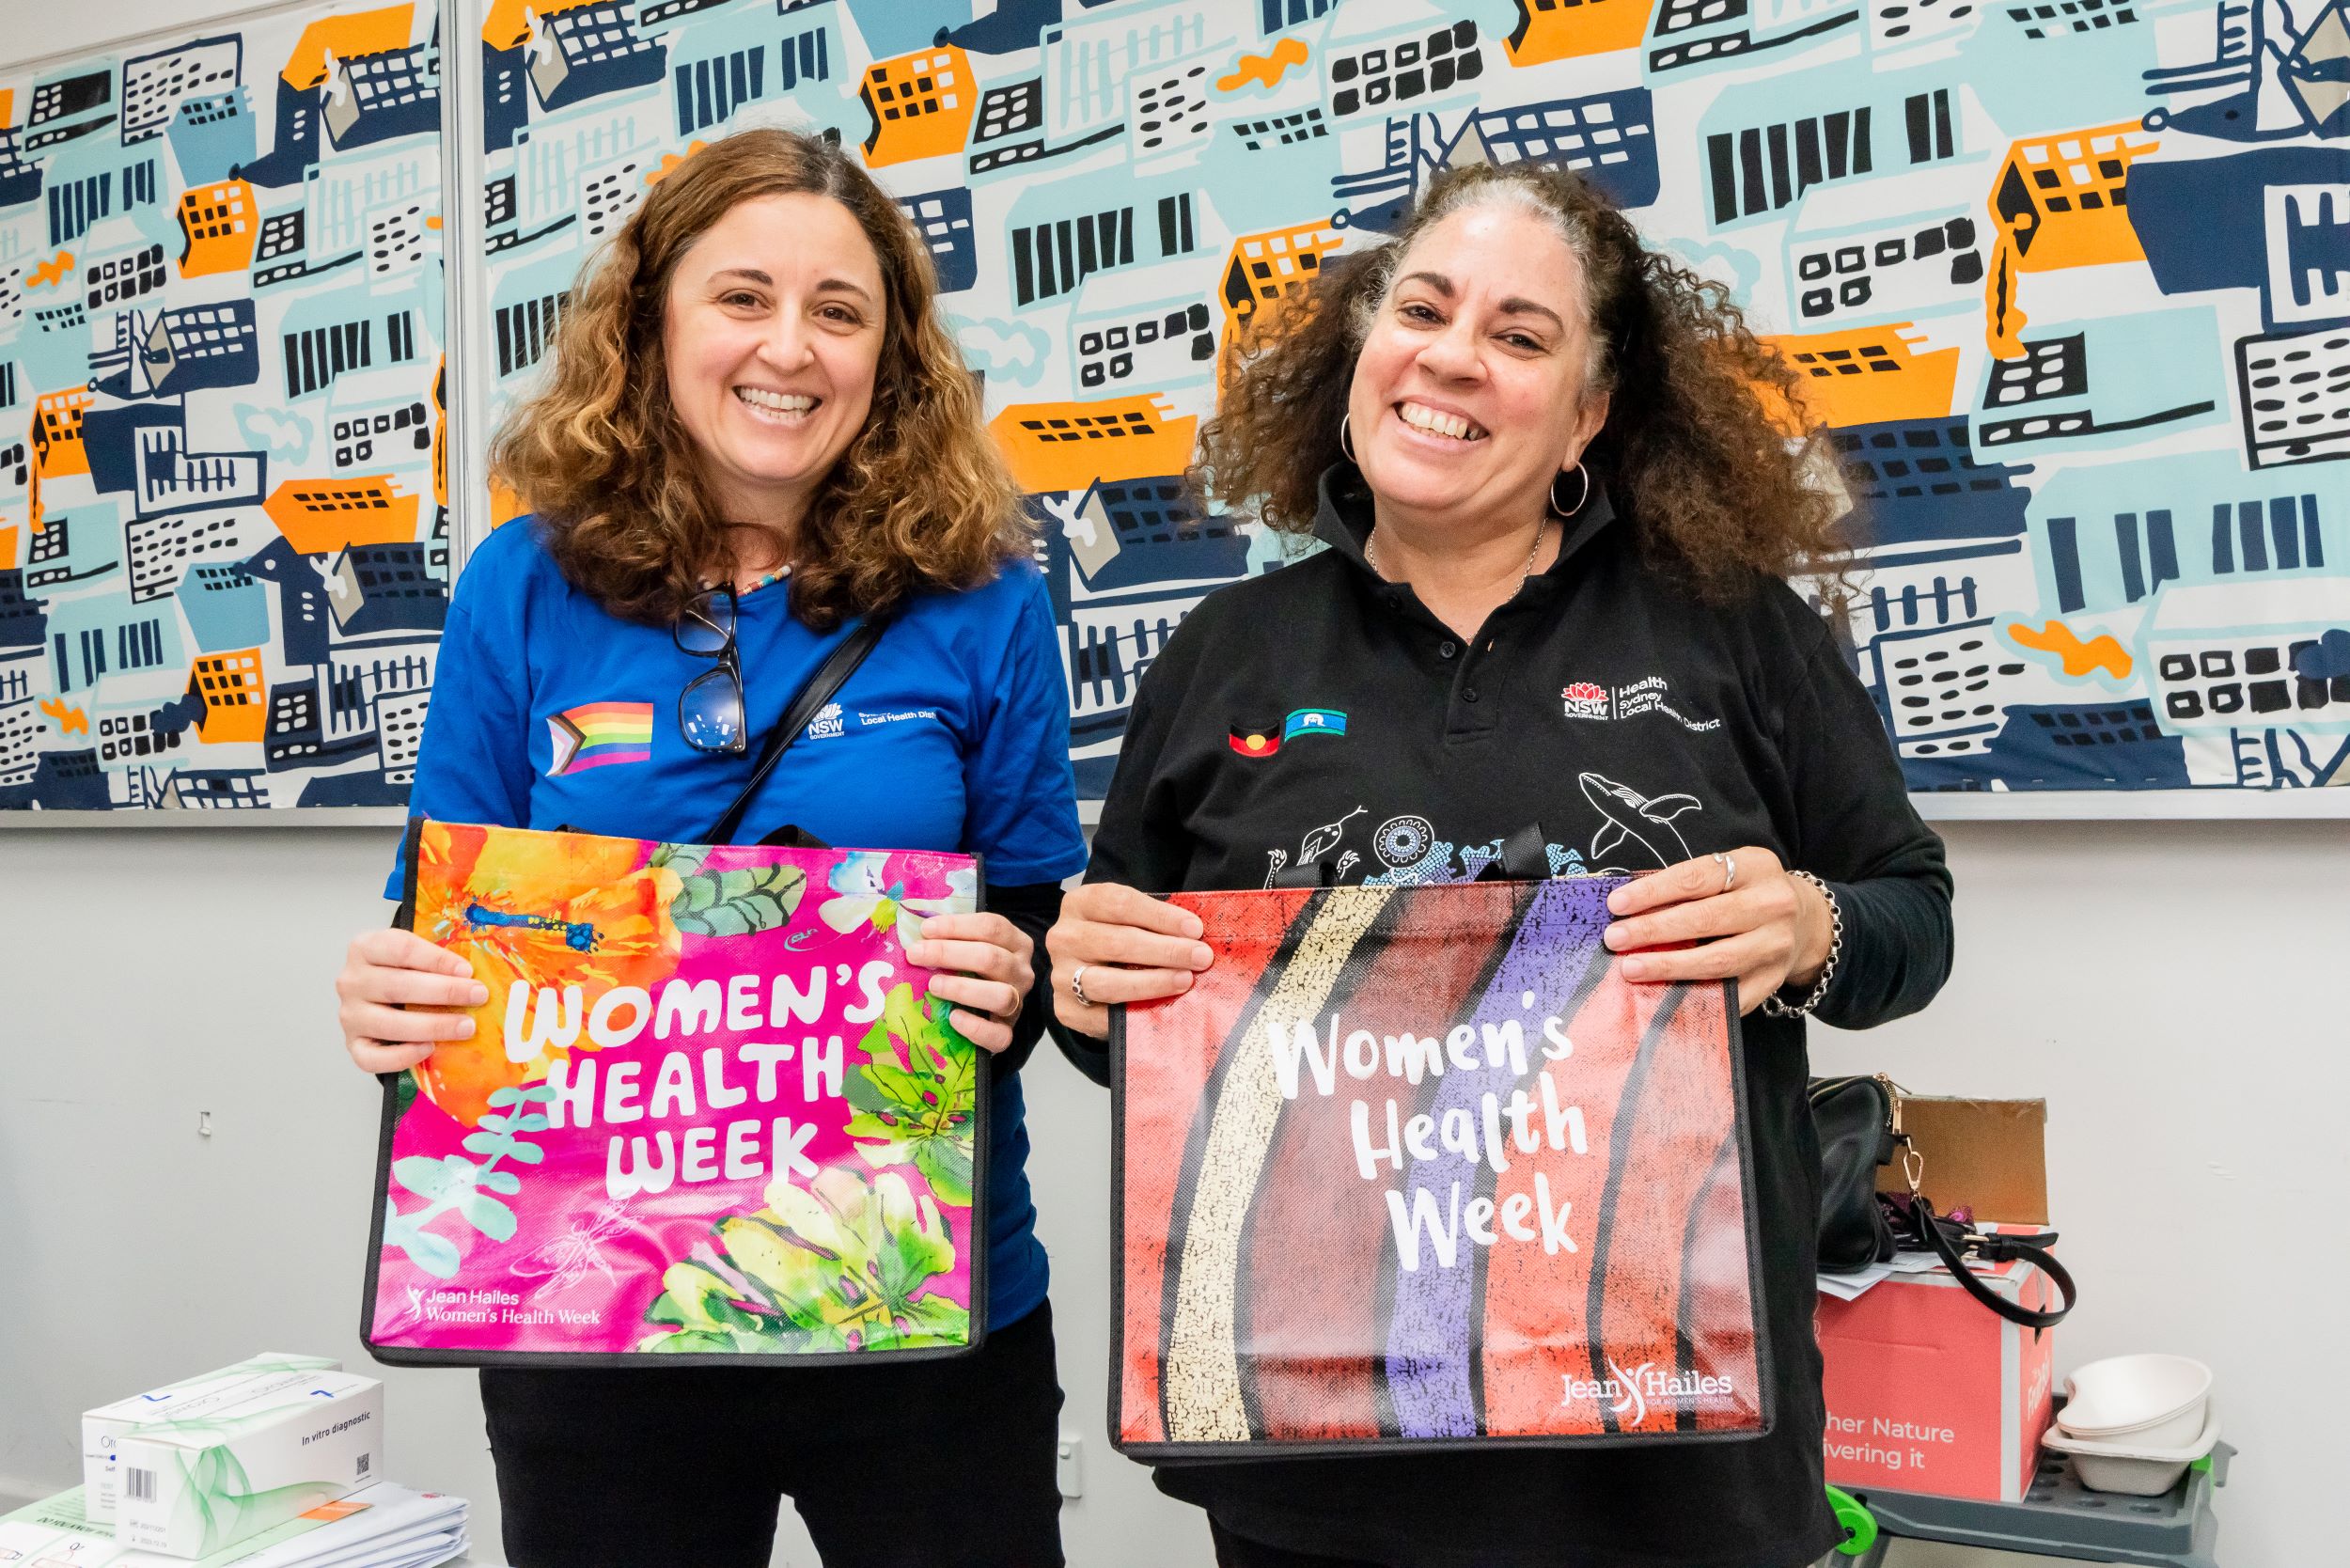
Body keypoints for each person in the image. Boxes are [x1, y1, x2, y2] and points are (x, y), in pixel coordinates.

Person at [1046, 161, 1954, 1568]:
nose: (1453, 357)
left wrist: (1812, 923)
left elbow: (1913, 919)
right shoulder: (1227, 650)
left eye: (1522, 336)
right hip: (1321, 1463)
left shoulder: (1735, 632)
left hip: (1676, 1465)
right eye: (1424, 307)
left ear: (1589, 410)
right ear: (1363, 346)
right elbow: (1150, 1035)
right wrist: (1092, 992)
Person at [332, 130, 1083, 1568]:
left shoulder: (981, 593)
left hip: (917, 1310)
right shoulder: (522, 583)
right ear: (654, 317)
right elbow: (449, 924)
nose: (787, 348)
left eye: (839, 311)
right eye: (743, 296)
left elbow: (1035, 931)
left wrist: (1013, 975)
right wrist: (390, 1002)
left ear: (892, 353)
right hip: (597, 1308)